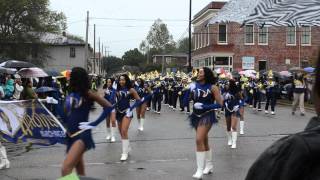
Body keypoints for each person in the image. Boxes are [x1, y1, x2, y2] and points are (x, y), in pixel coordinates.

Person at [60, 67, 112, 178]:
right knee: (80, 173)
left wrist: (94, 123)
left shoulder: (88, 93)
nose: (68, 78)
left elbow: (109, 107)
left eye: (71, 76)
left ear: (76, 78)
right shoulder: (70, 94)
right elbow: (65, 117)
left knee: (66, 169)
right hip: (70, 137)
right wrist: (55, 104)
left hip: (81, 135)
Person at [189, 67, 223, 179]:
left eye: (200, 72)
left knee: (198, 139)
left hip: (207, 115)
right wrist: (188, 91)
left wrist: (205, 106)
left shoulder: (213, 87)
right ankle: (209, 166)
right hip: (195, 115)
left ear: (206, 75)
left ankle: (199, 170)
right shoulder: (194, 85)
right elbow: (185, 102)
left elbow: (220, 104)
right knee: (204, 140)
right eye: (198, 72)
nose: (198, 74)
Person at [115, 74, 140, 161]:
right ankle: (128, 147)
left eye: (123, 80)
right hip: (118, 112)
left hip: (127, 112)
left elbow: (138, 100)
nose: (121, 81)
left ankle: (124, 153)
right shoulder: (116, 90)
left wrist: (132, 108)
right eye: (120, 80)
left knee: (124, 131)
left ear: (126, 81)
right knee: (121, 133)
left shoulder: (131, 90)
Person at [224, 79, 242, 149]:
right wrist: (224, 104)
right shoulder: (225, 92)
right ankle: (229, 139)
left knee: (233, 126)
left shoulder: (237, 92)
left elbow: (242, 100)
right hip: (227, 109)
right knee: (228, 126)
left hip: (235, 109)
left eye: (228, 84)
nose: (227, 85)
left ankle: (234, 142)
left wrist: (238, 105)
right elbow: (222, 100)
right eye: (227, 84)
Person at [103, 78, 117, 142]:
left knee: (113, 121)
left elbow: (113, 99)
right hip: (106, 108)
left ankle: (113, 136)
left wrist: (114, 90)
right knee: (107, 122)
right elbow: (103, 100)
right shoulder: (105, 90)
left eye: (110, 82)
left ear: (112, 83)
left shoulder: (115, 90)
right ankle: (108, 134)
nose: (108, 83)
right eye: (107, 82)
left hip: (113, 107)